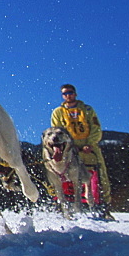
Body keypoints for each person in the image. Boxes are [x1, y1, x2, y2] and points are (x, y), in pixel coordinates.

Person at [50, 84, 113, 216]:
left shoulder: (87, 110)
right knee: (64, 174)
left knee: (99, 175)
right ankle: (64, 205)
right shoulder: (58, 112)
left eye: (70, 92)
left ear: (75, 93)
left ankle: (102, 206)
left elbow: (96, 128)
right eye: (65, 93)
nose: (68, 95)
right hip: (69, 149)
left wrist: (90, 143)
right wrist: (67, 146)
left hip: (89, 148)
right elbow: (57, 131)